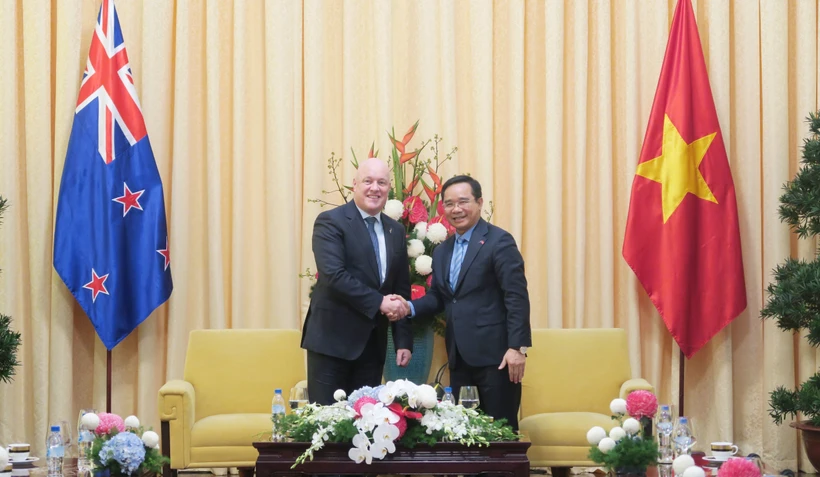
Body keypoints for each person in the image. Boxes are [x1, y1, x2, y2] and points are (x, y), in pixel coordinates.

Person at [390, 175, 531, 430]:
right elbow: (440, 297)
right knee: (464, 431)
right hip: (459, 358)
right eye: (449, 204)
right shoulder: (443, 250)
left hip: (497, 358)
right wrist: (408, 307)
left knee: (501, 432)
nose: (456, 209)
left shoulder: (499, 242)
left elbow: (516, 295)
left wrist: (517, 348)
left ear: (479, 202)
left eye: (463, 202)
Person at [301, 158, 413, 405]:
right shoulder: (331, 221)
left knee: (367, 427)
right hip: (332, 343)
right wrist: (379, 302)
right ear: (355, 185)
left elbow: (401, 288)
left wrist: (403, 340)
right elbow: (333, 275)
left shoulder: (395, 231)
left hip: (373, 347)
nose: (375, 188)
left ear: (388, 189)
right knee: (327, 425)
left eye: (382, 182)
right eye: (368, 181)